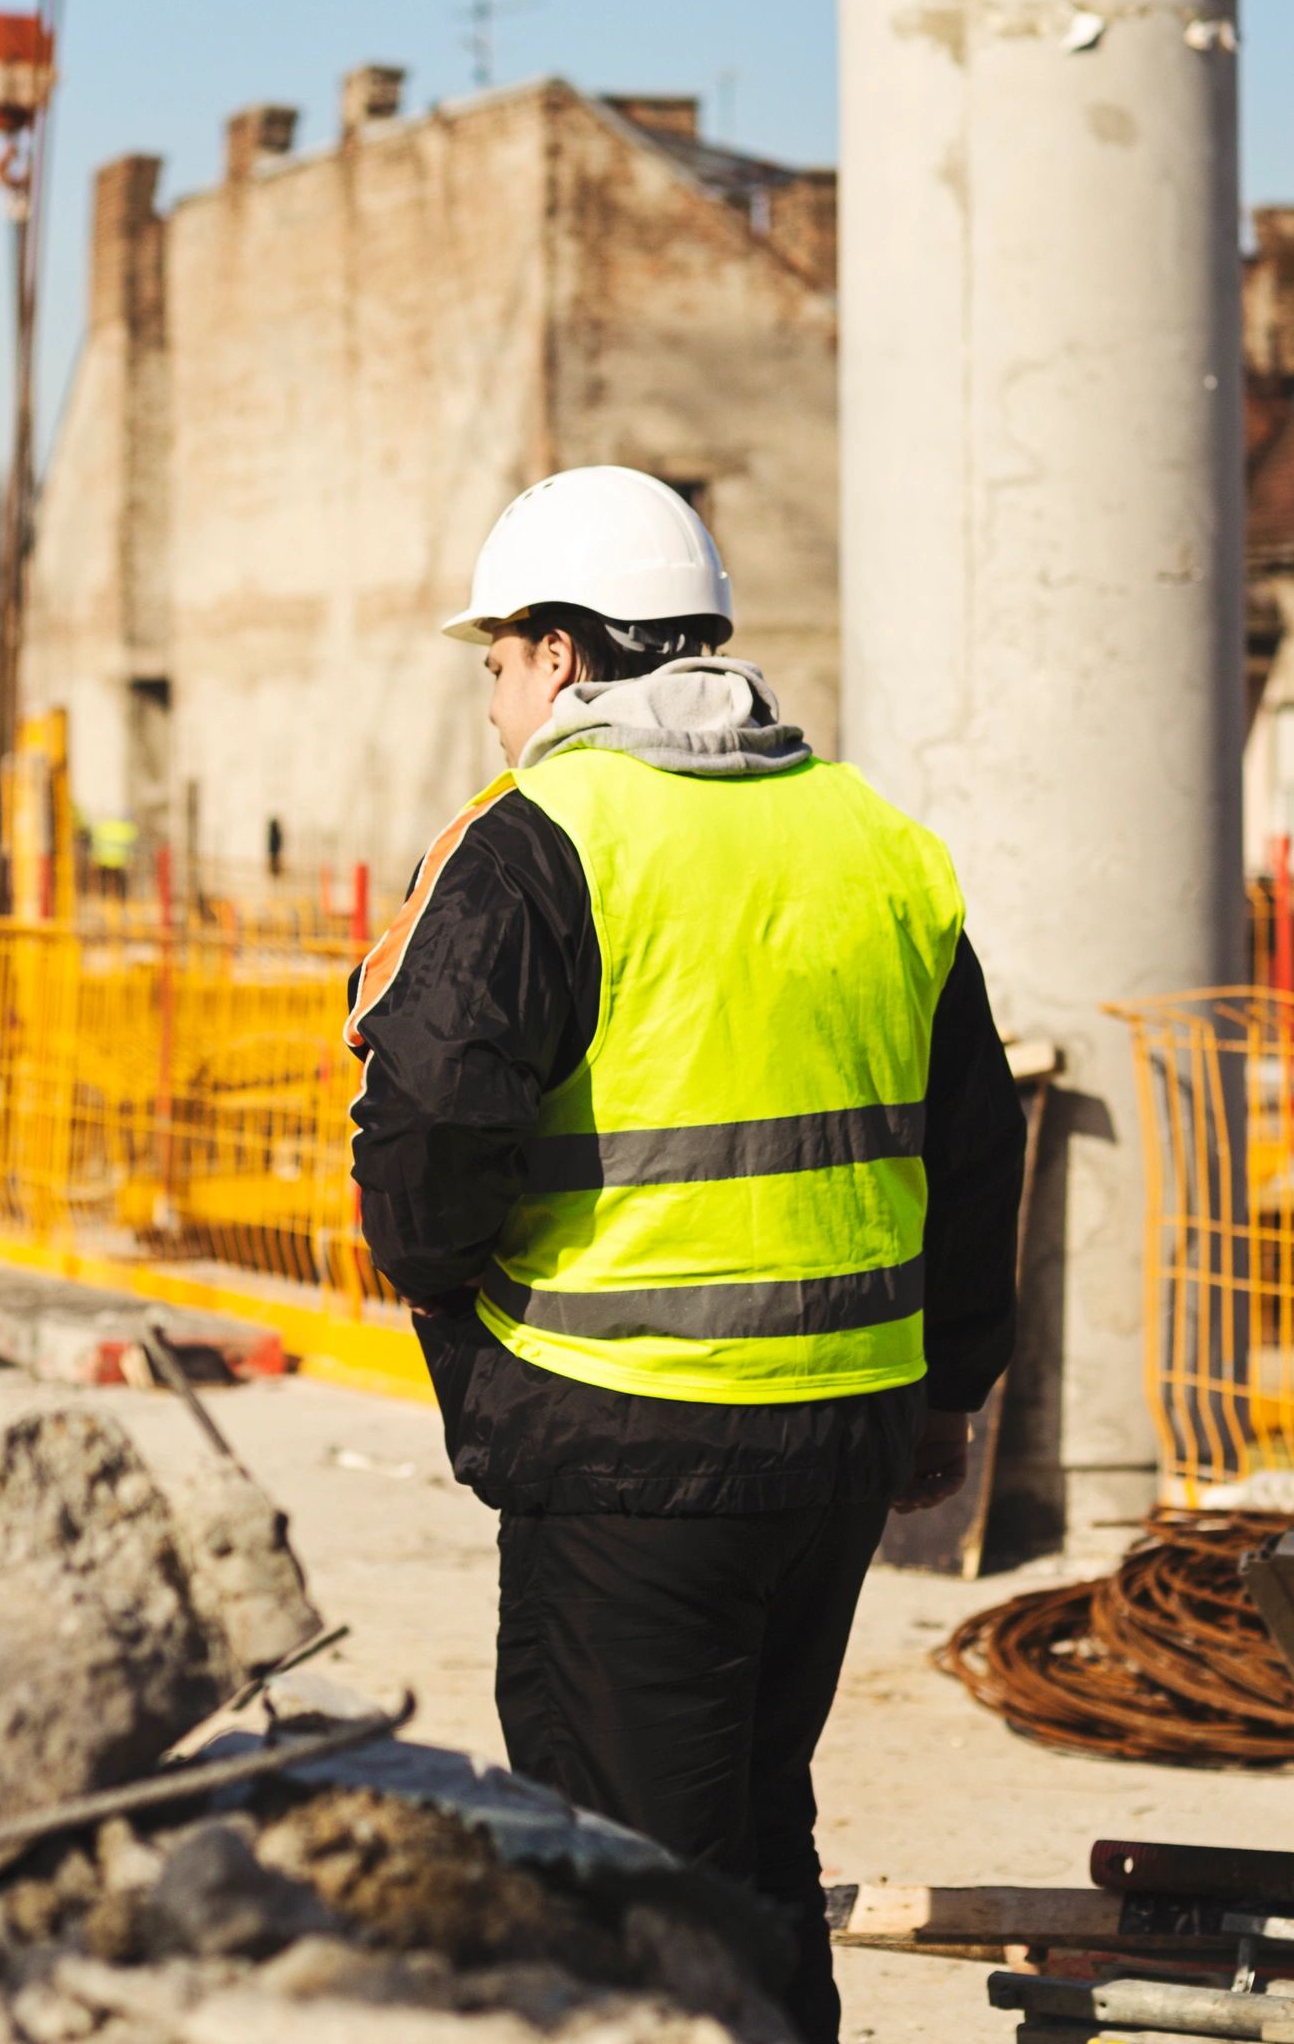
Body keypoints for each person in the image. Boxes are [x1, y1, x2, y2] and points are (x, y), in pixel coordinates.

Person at [343, 466, 1025, 2044]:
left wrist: (453, 1308)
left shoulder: (540, 842)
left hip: (627, 1448)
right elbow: (976, 1153)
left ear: (564, 656)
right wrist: (947, 1397)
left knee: (622, 1886)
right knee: (753, 1834)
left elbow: (431, 1152)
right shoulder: (879, 842)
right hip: (844, 1448)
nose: (495, 701)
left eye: (497, 662)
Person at [87, 815, 137, 903]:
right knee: (118, 883)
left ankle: (105, 899)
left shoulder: (102, 828)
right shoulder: (125, 829)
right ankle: (118, 900)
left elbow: (96, 844)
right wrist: (131, 859)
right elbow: (131, 845)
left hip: (104, 860)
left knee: (105, 883)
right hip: (120, 860)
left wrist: (94, 858)